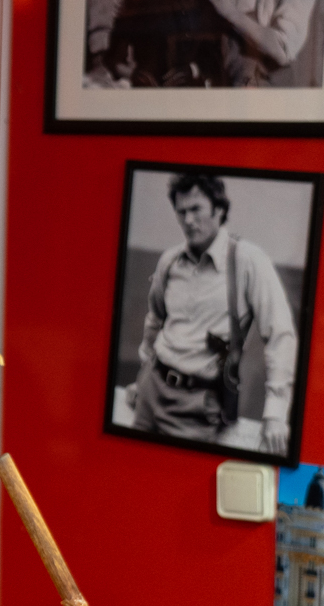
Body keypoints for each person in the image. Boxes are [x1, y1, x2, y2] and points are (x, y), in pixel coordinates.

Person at [125, 173, 297, 454]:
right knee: (128, 468)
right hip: (150, 389)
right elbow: (155, 321)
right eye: (181, 212)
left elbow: (280, 335)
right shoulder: (170, 260)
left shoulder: (247, 260)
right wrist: (143, 375)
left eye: (196, 209)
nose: (188, 220)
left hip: (196, 404)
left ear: (218, 209)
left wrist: (275, 413)